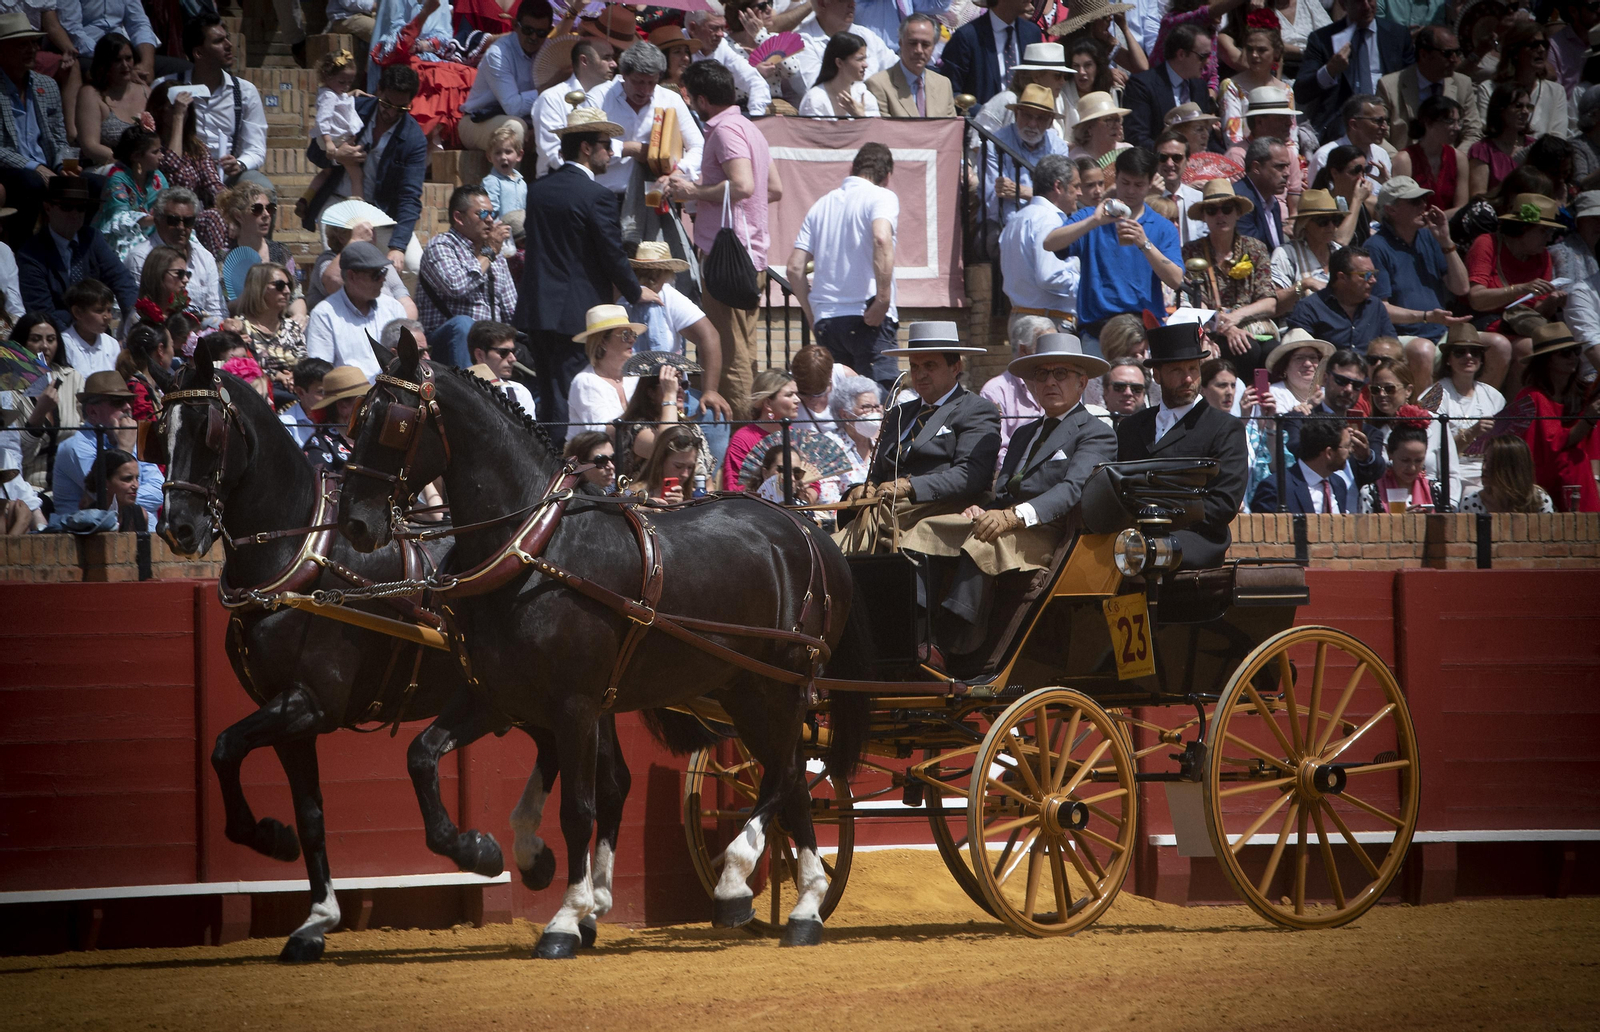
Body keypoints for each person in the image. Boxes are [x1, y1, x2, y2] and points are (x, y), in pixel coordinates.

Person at [902, 332, 1116, 663]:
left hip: (1049, 532)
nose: (1050, 382)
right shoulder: (1023, 433)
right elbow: (1002, 490)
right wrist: (983, 507)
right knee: (925, 530)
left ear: (1082, 382)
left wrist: (1013, 516)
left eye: (1061, 374)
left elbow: (1073, 489)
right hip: (1004, 521)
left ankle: (957, 646)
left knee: (984, 542)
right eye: (1042, 374)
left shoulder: (1095, 432)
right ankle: (918, 635)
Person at [517, 106, 651, 425]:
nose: (610, 151)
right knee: (575, 393)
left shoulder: (537, 191)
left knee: (551, 398)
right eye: (605, 144)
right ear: (587, 148)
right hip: (577, 313)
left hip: (538, 309)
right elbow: (612, 253)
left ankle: (552, 466)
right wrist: (635, 291)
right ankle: (576, 467)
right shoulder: (597, 196)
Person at [834, 322, 1001, 554]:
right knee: (823, 551)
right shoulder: (898, 413)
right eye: (914, 366)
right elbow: (878, 471)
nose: (920, 374)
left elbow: (970, 475)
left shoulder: (976, 410)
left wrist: (909, 486)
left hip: (934, 514)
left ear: (955, 367)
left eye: (930, 365)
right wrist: (864, 489)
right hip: (882, 515)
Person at [668, 60, 775, 418]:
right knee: (743, 347)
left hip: (728, 255)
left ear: (701, 100)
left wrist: (694, 190)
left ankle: (741, 439)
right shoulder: (750, 128)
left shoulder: (725, 131)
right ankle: (750, 434)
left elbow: (743, 185)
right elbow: (772, 188)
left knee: (730, 353)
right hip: (751, 252)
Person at [1115, 321, 1249, 568]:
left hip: (1196, 538)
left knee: (1141, 552)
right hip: (1133, 535)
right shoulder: (1131, 427)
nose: (1187, 378)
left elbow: (1223, 503)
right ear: (1157, 374)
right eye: (1176, 370)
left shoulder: (1224, 427)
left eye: (1193, 368)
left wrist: (1158, 519)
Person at [1040, 147, 1184, 355]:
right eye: (1125, 182)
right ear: (1115, 178)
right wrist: (1094, 221)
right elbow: (1050, 243)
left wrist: (1144, 243)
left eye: (1139, 184)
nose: (1131, 191)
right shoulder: (1092, 216)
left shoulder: (1162, 226)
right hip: (1098, 333)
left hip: (1143, 336)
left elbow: (1175, 280)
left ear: (1151, 181)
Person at [788, 142, 899, 392]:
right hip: (867, 317)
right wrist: (883, 298)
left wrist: (812, 312)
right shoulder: (882, 196)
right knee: (877, 405)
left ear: (852, 168)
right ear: (888, 176)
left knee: (840, 405)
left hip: (828, 321)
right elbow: (881, 238)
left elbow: (795, 268)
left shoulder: (821, 205)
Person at [302, 63, 427, 274]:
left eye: (402, 108)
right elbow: (314, 153)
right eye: (387, 103)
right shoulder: (353, 106)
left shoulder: (414, 139)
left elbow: (410, 197)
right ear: (378, 90)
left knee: (415, 268)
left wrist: (397, 247)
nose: (392, 113)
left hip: (382, 212)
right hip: (338, 200)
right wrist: (336, 156)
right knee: (347, 268)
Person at [1366, 176, 1473, 383]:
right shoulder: (1375, 247)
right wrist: (1426, 316)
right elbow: (1381, 307)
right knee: (1424, 350)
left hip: (1441, 332)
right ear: (1391, 210)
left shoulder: (1430, 238)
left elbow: (1462, 287)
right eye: (1415, 202)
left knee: (1498, 344)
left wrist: (1445, 240)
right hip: (1401, 337)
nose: (1423, 206)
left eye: (1424, 200)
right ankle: (1419, 415)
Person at [1465, 193, 1566, 395]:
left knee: (1534, 347)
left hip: (1517, 326)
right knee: (1507, 346)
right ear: (1522, 228)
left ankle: (1516, 416)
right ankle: (1485, 410)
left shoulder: (1542, 256)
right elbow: (1476, 299)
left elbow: (1536, 314)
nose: (1549, 238)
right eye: (1544, 231)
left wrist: (1551, 303)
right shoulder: (1487, 243)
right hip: (1482, 321)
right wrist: (1521, 288)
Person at [153, 14, 268, 189]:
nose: (229, 45)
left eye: (227, 38)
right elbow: (150, 137)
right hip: (181, 172)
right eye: (218, 41)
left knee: (261, 188)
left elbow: (256, 148)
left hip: (229, 175)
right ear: (198, 52)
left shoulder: (245, 91)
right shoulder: (166, 87)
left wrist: (240, 163)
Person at [1180, 178, 1279, 373]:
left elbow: (1270, 302)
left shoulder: (1255, 248)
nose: (1220, 215)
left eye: (1226, 209)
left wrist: (1235, 317)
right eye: (1212, 210)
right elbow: (1196, 301)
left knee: (1273, 353)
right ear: (1204, 217)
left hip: (1252, 325)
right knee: (1246, 350)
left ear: (1237, 213)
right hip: (1212, 329)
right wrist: (1228, 327)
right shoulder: (1192, 251)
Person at [415, 183, 516, 368]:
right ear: (459, 217)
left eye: (492, 214)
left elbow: (511, 310)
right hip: (446, 346)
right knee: (463, 325)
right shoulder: (441, 246)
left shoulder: (496, 257)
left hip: (488, 346)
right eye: (483, 214)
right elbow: (456, 286)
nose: (490, 221)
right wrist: (489, 252)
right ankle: (469, 392)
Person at [1504, 322, 1599, 512]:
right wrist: (1587, 420)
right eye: (1565, 353)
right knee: (1573, 458)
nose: (1573, 357)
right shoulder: (1532, 396)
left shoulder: (1581, 393)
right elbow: (1553, 444)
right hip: (1544, 476)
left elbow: (1593, 445)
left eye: (1575, 351)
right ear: (1547, 360)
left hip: (1580, 476)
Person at [590, 41, 704, 196]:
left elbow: (698, 146)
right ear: (624, 75)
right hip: (605, 198)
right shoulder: (597, 98)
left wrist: (679, 172)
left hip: (655, 198)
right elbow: (586, 148)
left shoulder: (671, 99)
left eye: (651, 82)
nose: (645, 90)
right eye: (638, 82)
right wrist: (630, 148)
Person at [50, 369, 162, 523]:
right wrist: (124, 449)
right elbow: (106, 497)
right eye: (117, 402)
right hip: (88, 538)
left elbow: (160, 491)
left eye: (129, 401)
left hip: (140, 535)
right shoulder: (74, 447)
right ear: (93, 412)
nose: (128, 408)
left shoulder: (126, 436)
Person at [1292, 0, 1415, 141]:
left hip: (1390, 116)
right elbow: (1301, 92)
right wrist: (1330, 70)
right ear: (1344, 5)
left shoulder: (1397, 34)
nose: (1367, 6)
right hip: (1346, 121)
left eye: (1370, 0)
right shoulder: (1322, 39)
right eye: (1359, 2)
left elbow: (1410, 81)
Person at [996, 155, 1080, 339]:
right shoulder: (1049, 220)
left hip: (1025, 318)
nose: (1080, 193)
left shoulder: (1017, 219)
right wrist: (1089, 285)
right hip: (1047, 324)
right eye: (1076, 186)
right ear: (1058, 187)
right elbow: (1050, 276)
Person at [0, 13, 68, 237]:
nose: (32, 49)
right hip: (11, 170)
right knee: (30, 183)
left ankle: (73, 252)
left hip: (47, 168)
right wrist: (36, 168)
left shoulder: (46, 85)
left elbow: (59, 137)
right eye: (22, 45)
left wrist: (61, 166)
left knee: (92, 185)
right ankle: (25, 250)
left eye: (34, 43)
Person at [1418, 323, 1504, 499]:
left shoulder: (1493, 396)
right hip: (1452, 474)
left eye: (1475, 352)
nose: (1469, 356)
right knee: (1476, 497)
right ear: (1448, 359)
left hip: (1490, 473)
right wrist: (1473, 432)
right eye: (1460, 352)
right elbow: (1433, 453)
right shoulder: (1432, 397)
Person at [457, 0, 554, 153]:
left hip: (528, 121)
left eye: (541, 33)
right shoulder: (498, 53)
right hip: (478, 122)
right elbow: (513, 107)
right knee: (515, 129)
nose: (534, 37)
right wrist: (547, 88)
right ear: (515, 25)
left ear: (550, 31)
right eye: (528, 30)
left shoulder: (549, 49)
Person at [304, 241, 409, 381]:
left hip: (394, 394)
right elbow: (321, 373)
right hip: (351, 398)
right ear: (352, 276)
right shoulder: (324, 315)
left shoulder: (394, 308)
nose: (383, 279)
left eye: (384, 272)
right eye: (376, 274)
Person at [1, 312, 82, 490]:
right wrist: (38, 415)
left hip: (73, 482)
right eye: (36, 339)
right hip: (31, 485)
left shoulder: (72, 378)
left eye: (51, 339)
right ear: (21, 344)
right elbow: (15, 454)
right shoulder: (8, 388)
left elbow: (85, 436)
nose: (44, 346)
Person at [123, 186, 225, 326]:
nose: (181, 227)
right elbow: (139, 311)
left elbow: (216, 312)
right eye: (173, 220)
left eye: (188, 221)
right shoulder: (140, 257)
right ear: (157, 222)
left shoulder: (205, 258)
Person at [612, 352, 717, 483]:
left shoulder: (692, 428)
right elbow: (668, 445)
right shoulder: (635, 428)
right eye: (671, 383)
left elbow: (706, 481)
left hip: (688, 500)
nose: (679, 389)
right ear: (650, 392)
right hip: (642, 500)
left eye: (682, 384)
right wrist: (669, 395)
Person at [1377, 25, 1482, 152]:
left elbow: (1473, 132)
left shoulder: (1463, 84)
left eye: (1457, 52)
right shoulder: (1389, 86)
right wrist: (1400, 162)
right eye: (1447, 54)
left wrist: (1455, 160)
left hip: (1450, 163)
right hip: (1404, 164)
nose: (1455, 60)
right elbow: (1378, 134)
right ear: (1424, 55)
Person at [305, 203, 416, 318]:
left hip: (389, 328)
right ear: (342, 236)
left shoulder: (380, 262)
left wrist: (402, 328)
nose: (371, 234)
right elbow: (333, 281)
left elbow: (406, 302)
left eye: (372, 229)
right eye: (364, 230)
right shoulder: (327, 259)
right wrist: (356, 240)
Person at [1287, 246, 1398, 356]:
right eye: (1366, 275)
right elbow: (1300, 355)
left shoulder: (1375, 306)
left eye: (1374, 274)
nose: (1373, 280)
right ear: (1342, 277)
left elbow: (1393, 347)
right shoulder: (1309, 308)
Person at [1122, 23, 1216, 151]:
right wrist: (1173, 154)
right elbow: (1137, 138)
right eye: (1203, 56)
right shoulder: (1142, 85)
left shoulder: (1199, 87)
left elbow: (1208, 139)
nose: (1208, 62)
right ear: (1181, 54)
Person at [530, 38, 615, 178]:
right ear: (584, 61)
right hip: (559, 188)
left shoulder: (612, 97)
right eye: (606, 58)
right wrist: (623, 148)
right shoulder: (551, 98)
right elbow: (554, 154)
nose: (613, 64)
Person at [789, 0, 895, 106]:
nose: (852, 4)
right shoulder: (802, 42)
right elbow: (818, 91)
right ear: (822, 4)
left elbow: (897, 71)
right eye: (843, 1)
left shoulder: (866, 36)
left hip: (876, 113)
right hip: (827, 119)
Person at [1474, 22, 1566, 142]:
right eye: (1534, 45)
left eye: (1544, 44)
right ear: (1515, 51)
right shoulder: (1488, 89)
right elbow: (1487, 134)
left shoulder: (1556, 92)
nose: (1542, 50)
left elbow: (1558, 139)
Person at [938, 0, 1042, 105]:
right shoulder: (967, 37)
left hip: (1026, 119)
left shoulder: (1032, 33)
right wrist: (986, 115)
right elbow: (950, 93)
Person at [74, 33, 151, 170]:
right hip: (105, 168)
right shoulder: (91, 94)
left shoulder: (146, 92)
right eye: (117, 60)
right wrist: (129, 163)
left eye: (128, 58)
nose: (125, 65)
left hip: (145, 167)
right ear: (104, 64)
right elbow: (90, 146)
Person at [566, 304, 642, 440]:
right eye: (625, 335)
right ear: (602, 341)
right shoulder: (585, 382)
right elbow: (602, 434)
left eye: (633, 334)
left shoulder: (635, 376)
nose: (632, 340)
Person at [1250, 413, 1354, 513]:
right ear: (1329, 453)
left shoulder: (1338, 484)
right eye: (1347, 446)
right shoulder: (1275, 489)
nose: (1351, 450)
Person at [94, 125, 166, 261]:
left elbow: (166, 205)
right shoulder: (117, 178)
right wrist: (161, 219)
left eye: (160, 150)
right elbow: (121, 220)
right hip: (120, 237)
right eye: (155, 152)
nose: (161, 156)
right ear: (136, 156)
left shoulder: (158, 177)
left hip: (153, 232)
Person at [723, 367, 799, 490]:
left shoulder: (795, 436)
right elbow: (733, 486)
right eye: (789, 395)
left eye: (796, 394)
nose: (797, 400)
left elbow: (814, 483)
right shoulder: (743, 439)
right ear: (768, 403)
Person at [686, 8, 772, 117]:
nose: (721, 34)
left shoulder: (723, 47)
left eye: (723, 28)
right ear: (693, 28)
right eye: (714, 28)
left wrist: (755, 116)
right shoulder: (674, 43)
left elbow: (756, 82)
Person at [865, 13, 953, 118]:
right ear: (901, 43)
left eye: (925, 44)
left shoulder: (944, 85)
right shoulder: (878, 85)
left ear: (933, 47)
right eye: (912, 43)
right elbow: (885, 131)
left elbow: (950, 129)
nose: (919, 50)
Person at [1270, 188, 1344, 312]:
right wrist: (1304, 285)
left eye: (1335, 220)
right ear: (1304, 224)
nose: (1331, 227)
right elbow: (1275, 304)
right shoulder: (1286, 254)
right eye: (1323, 221)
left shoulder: (1340, 252)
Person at [236, 262, 306, 392]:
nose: (287, 291)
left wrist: (294, 377)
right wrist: (275, 375)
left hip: (294, 394)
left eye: (289, 286)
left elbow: (304, 363)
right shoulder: (239, 328)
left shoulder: (292, 327)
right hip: (259, 399)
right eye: (279, 285)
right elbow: (238, 369)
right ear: (259, 288)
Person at [1392, 98, 1469, 213]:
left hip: (1450, 227)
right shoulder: (1404, 160)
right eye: (1449, 121)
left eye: (1459, 122)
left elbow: (1461, 208)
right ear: (1428, 123)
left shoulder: (1459, 158)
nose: (1457, 127)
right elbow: (1402, 209)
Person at [1308, 94, 1395, 184]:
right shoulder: (1325, 156)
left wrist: (1387, 185)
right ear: (1354, 124)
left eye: (1386, 121)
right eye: (1378, 121)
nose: (1385, 127)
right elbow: (1319, 196)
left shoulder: (1381, 155)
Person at [1457, 434, 1553, 513]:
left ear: (1512, 468)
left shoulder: (1539, 500)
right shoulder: (1472, 502)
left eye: (1493, 464)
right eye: (1485, 460)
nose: (1484, 468)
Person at [300, 365, 372, 471]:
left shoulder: (374, 435)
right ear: (342, 405)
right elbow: (318, 485)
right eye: (362, 400)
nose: (369, 404)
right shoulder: (318, 446)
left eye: (369, 398)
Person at [1467, 83, 1532, 197]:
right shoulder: (1482, 150)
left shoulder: (1533, 147)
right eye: (1518, 106)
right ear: (1501, 109)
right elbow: (1478, 196)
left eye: (1529, 107)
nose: (1525, 111)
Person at [464, 320, 536, 420]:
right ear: (479, 355)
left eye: (513, 351)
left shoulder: (519, 393)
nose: (513, 359)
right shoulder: (460, 392)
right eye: (504, 352)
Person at [799, 31, 880, 118]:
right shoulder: (815, 99)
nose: (865, 65)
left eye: (865, 59)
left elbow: (875, 130)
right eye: (859, 59)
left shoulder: (863, 95)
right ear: (839, 63)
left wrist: (860, 116)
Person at [1233, 136, 1291, 253]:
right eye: (1279, 166)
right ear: (1256, 168)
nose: (1287, 173)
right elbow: (1253, 253)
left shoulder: (1273, 203)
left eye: (1287, 166)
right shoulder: (1241, 202)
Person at [830, 372, 882, 488]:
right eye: (866, 407)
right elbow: (827, 499)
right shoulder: (830, 446)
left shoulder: (882, 446)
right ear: (844, 414)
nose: (873, 413)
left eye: (876, 407)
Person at [1154, 130, 1206, 245]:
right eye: (1163, 157)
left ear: (1187, 161)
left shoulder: (1200, 199)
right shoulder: (1146, 200)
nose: (1169, 163)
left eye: (1177, 158)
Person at [60, 278, 119, 377]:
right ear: (77, 312)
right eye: (99, 310)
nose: (107, 317)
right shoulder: (63, 344)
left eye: (109, 310)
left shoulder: (112, 345)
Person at [630, 423, 702, 505]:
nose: (685, 474)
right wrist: (642, 508)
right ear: (661, 461)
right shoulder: (633, 492)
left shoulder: (696, 498)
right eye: (678, 466)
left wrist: (681, 510)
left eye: (690, 467)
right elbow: (621, 503)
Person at [116, 320, 172, 421]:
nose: (173, 353)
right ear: (160, 350)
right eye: (171, 345)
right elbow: (146, 434)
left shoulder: (149, 388)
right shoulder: (139, 390)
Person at [1066, 90, 1132, 169]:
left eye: (1118, 120)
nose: (1116, 125)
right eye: (1109, 120)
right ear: (1089, 128)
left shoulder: (1127, 151)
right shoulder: (1076, 159)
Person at [280, 356, 332, 447]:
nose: (329, 397)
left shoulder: (341, 415)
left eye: (332, 390)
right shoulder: (287, 425)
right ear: (300, 392)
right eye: (322, 392)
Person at [482, 123, 526, 220]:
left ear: (519, 155)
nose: (503, 157)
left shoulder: (521, 182)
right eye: (498, 153)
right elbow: (490, 212)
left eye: (508, 152)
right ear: (489, 157)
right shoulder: (491, 182)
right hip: (501, 232)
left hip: (520, 231)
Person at [1101, 356, 1150, 425]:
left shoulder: (1156, 428)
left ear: (1144, 393)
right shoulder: (1092, 427)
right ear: (1105, 391)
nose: (1128, 393)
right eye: (1119, 387)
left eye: (1136, 388)